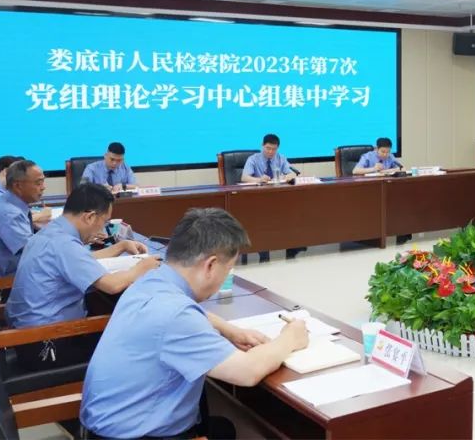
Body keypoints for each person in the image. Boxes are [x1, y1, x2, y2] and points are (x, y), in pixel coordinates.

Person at [79, 208, 309, 440]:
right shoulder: (177, 315)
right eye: (228, 269)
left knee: (223, 428)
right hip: (136, 436)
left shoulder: (150, 280)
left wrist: (230, 330)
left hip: (105, 428)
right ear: (210, 265)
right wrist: (290, 338)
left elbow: (180, 313)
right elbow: (246, 372)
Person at [6, 183, 160, 371]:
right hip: (46, 345)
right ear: (90, 217)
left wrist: (121, 246)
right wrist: (140, 268)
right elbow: (112, 285)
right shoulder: (64, 243)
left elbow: (81, 260)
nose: (103, 229)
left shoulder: (52, 232)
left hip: (29, 337)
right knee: (136, 340)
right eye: (104, 222)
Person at [0, 160, 53, 278]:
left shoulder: (6, 200)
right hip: (3, 283)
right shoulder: (9, 214)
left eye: (43, 182)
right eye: (38, 183)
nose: (43, 187)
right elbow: (34, 251)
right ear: (18, 186)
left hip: (8, 272)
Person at [240, 133, 302, 262]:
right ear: (262, 146)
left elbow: (292, 172)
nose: (270, 152)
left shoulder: (280, 158)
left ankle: (292, 250)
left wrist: (288, 176)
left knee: (294, 215)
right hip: (258, 200)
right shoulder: (253, 159)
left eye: (274, 149)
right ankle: (264, 254)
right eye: (268, 148)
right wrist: (258, 179)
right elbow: (244, 177)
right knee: (264, 221)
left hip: (277, 199)